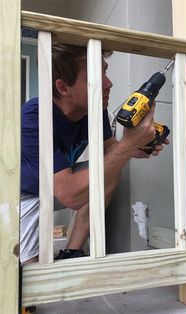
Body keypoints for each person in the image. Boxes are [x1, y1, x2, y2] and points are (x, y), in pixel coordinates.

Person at [20, 42, 168, 264]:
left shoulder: (95, 107)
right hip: (22, 194)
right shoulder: (33, 118)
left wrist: (135, 146)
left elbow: (109, 149)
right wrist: (126, 146)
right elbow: (69, 194)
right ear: (62, 88)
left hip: (55, 185)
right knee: (27, 283)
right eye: (96, 75)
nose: (108, 83)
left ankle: (73, 251)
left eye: (105, 70)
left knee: (110, 169)